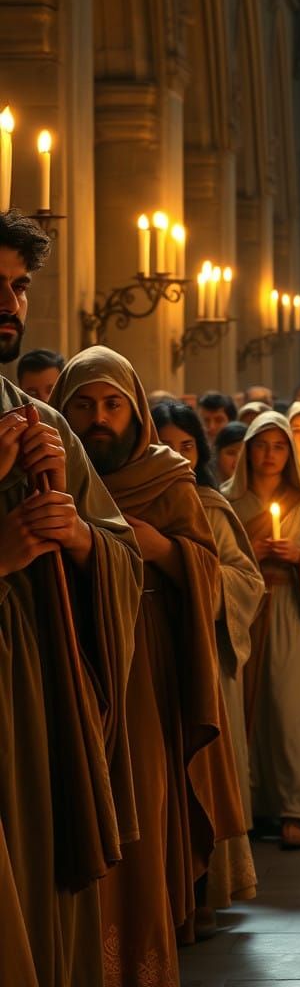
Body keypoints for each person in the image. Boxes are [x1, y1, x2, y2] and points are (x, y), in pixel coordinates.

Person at [51, 346, 245, 981]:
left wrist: (157, 545)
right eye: (83, 405)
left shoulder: (167, 476)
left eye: (112, 405)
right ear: (63, 409)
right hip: (68, 654)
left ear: (134, 410)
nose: (98, 418)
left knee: (141, 803)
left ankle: (138, 952)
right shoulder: (48, 471)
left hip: (144, 665)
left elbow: (211, 572)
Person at [0, 209, 143, 986]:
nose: (10, 305)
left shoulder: (44, 423)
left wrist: (83, 540)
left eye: (19, 287)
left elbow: (121, 555)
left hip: (43, 698)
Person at [153, 402, 263, 920]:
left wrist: (175, 560)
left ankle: (207, 885)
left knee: (203, 771)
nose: (176, 456)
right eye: (163, 444)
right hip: (144, 661)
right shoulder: (111, 501)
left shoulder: (209, 506)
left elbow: (244, 581)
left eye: (187, 446)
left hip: (204, 658)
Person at [222, 412, 300, 850]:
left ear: (290, 453)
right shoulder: (230, 503)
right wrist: (250, 550)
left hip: (291, 610)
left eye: (279, 446)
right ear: (248, 450)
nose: (270, 455)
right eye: (261, 445)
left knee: (289, 711)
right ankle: (246, 808)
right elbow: (214, 552)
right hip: (243, 611)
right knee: (246, 711)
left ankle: (293, 808)